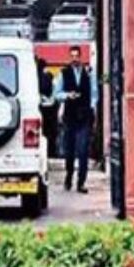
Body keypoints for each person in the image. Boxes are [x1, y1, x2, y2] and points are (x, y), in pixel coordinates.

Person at [53, 45, 97, 192]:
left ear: (80, 57)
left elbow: (94, 93)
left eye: (76, 56)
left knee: (83, 151)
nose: (74, 59)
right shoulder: (63, 73)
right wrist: (67, 95)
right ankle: (69, 175)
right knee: (69, 150)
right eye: (72, 56)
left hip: (84, 116)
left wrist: (91, 107)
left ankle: (81, 182)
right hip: (70, 117)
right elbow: (56, 94)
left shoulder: (88, 73)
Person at [36, 58, 59, 158]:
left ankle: (44, 152)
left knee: (42, 131)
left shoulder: (34, 77)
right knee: (51, 133)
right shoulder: (49, 76)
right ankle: (52, 152)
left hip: (41, 107)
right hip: (51, 108)